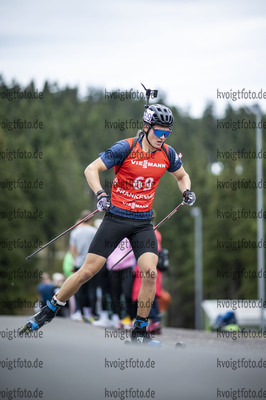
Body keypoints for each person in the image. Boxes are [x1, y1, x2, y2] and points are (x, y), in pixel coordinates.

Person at [20, 103, 196, 345]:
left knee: (150, 273)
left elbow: (182, 175)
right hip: (117, 218)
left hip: (143, 222)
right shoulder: (126, 147)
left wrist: (186, 191)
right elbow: (91, 169)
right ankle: (48, 310)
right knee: (87, 271)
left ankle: (140, 332)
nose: (163, 137)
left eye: (167, 133)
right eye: (158, 131)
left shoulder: (167, 153)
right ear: (146, 127)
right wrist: (101, 194)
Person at [69, 210, 97, 322]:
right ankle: (92, 313)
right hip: (92, 264)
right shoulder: (94, 231)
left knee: (79, 289)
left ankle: (80, 312)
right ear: (90, 219)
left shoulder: (75, 232)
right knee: (92, 289)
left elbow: (72, 249)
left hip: (79, 263)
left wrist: (76, 259)